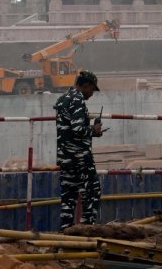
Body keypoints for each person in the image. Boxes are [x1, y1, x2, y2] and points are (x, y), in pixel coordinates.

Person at [56, 70, 104, 229]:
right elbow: (77, 129)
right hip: (80, 157)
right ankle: (86, 229)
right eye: (92, 89)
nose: (92, 94)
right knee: (92, 192)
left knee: (68, 195)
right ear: (86, 85)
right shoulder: (77, 99)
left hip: (65, 157)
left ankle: (65, 231)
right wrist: (94, 131)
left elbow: (68, 128)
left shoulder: (64, 98)